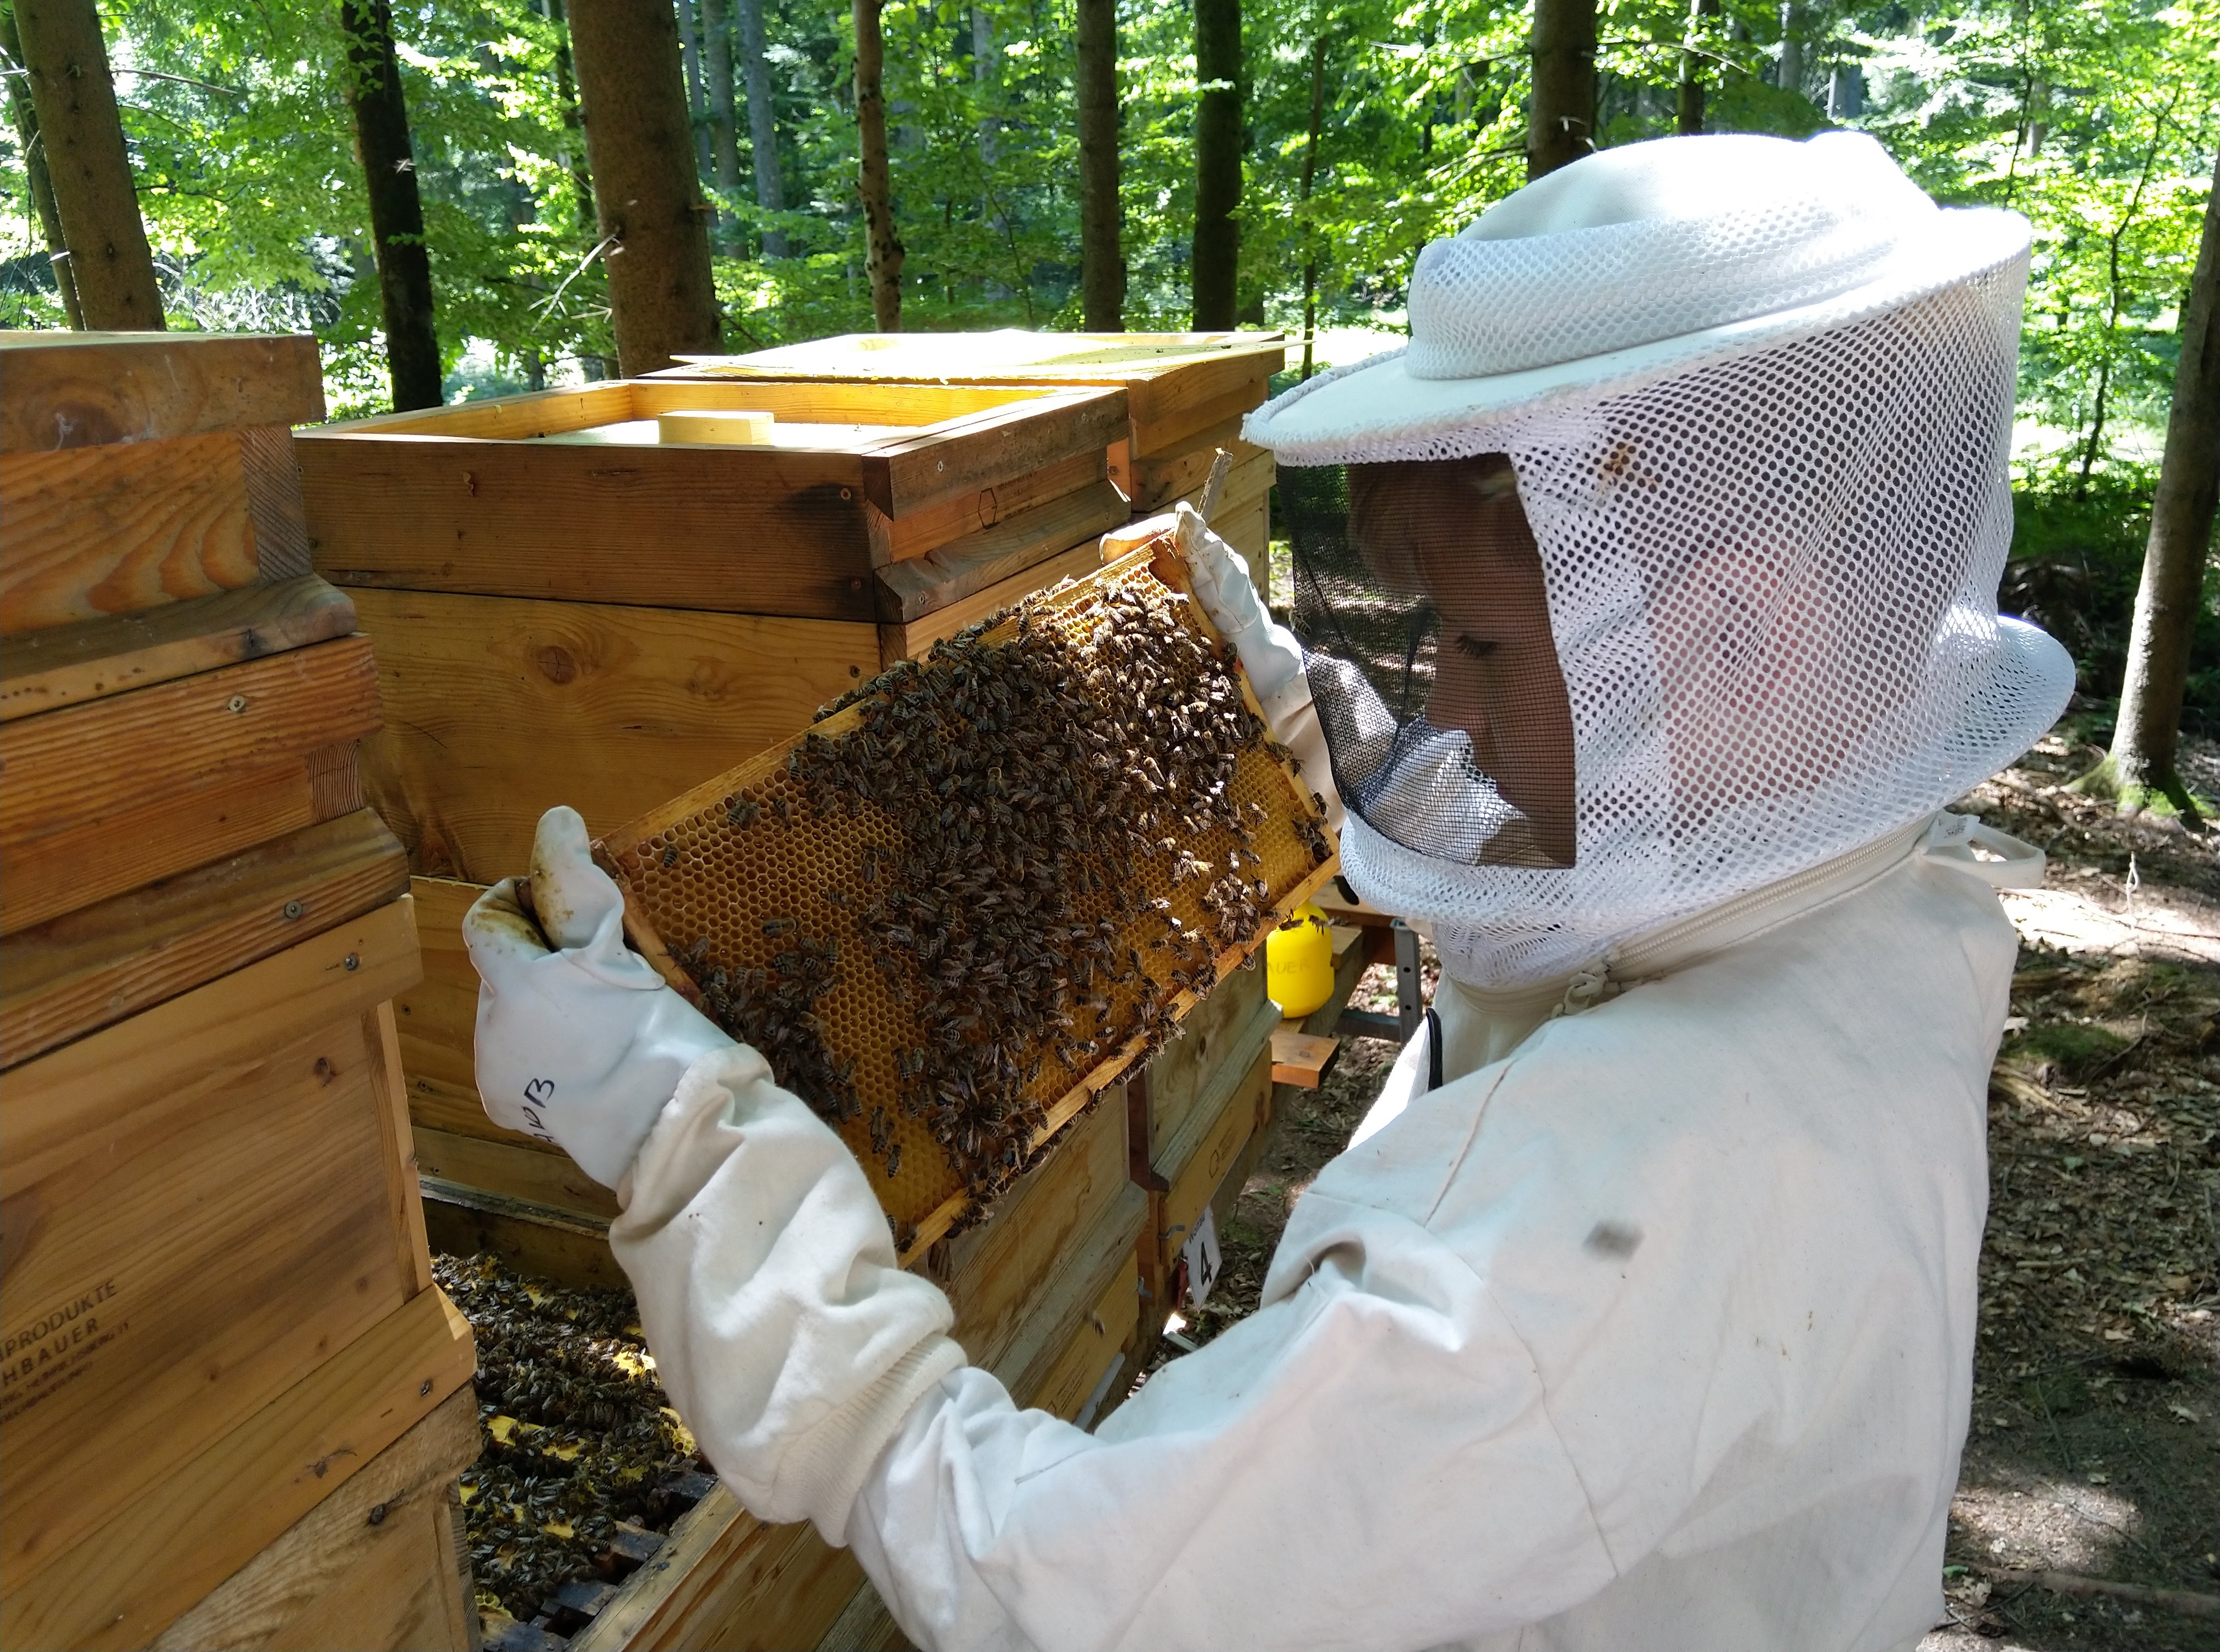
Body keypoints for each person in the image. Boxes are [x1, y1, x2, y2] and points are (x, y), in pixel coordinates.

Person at [464, 132, 2073, 1652]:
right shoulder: (1891, 926)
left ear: (1741, 640)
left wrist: (687, 1146)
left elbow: (1042, 1577)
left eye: (1488, 646)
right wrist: (1313, 737)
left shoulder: (1556, 1246)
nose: (1439, 705)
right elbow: (1595, 928)